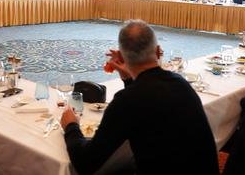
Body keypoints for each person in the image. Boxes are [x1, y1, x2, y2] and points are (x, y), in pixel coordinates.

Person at [60, 20, 219, 174]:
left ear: (123, 56)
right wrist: (128, 79)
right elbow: (147, 108)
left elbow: (85, 164)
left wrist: (71, 125)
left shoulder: (127, 100)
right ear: (158, 51)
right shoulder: (181, 83)